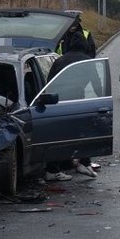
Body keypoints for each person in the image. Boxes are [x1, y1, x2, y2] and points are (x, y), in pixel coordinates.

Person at [43, 15, 99, 180]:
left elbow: (49, 83)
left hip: (59, 102)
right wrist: (100, 100)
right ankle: (84, 162)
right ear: (84, 45)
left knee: (58, 136)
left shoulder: (59, 61)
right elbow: (96, 84)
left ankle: (53, 169)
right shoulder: (87, 62)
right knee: (82, 133)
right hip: (78, 102)